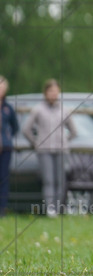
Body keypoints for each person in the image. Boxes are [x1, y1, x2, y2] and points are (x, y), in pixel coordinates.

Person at [21, 79, 77, 217]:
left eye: (55, 91)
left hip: (61, 150)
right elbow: (26, 129)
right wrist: (36, 143)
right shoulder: (38, 109)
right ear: (45, 92)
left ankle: (59, 208)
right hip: (44, 151)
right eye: (50, 91)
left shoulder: (64, 109)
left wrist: (64, 141)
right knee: (49, 180)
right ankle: (50, 209)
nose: (53, 94)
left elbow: (74, 131)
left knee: (61, 180)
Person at [0, 77, 18, 216]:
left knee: (4, 178)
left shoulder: (8, 108)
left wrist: (6, 138)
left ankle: (2, 209)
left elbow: (15, 127)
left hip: (5, 148)